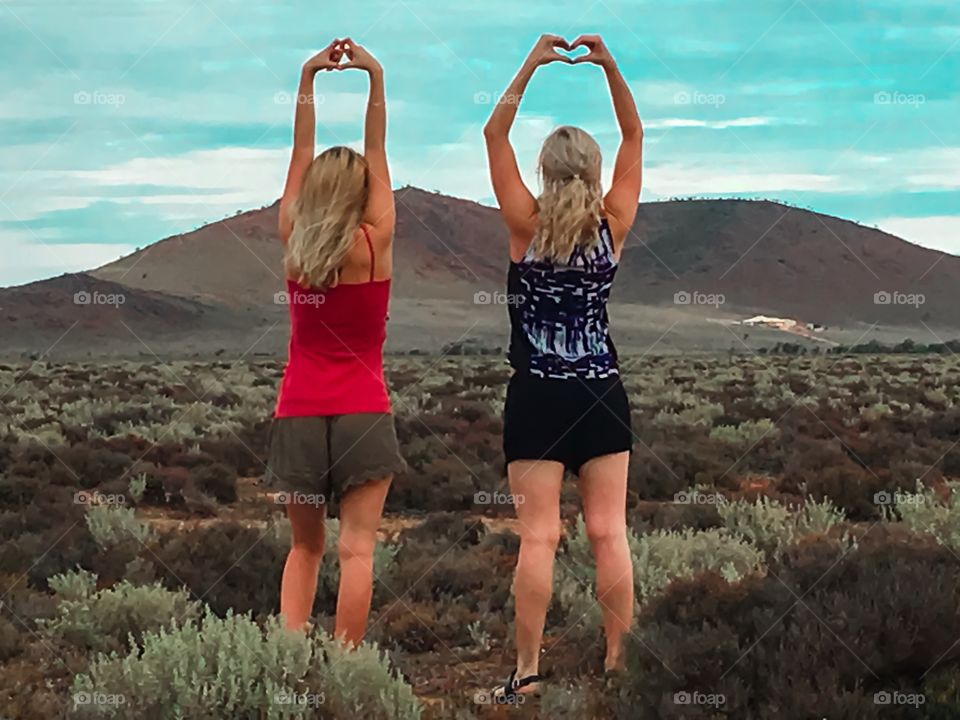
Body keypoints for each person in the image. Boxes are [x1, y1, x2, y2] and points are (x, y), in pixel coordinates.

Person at [483, 33, 644, 697]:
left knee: (539, 538)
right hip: (602, 392)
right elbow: (635, 133)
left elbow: (494, 133)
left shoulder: (525, 221)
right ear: (594, 169)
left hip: (538, 399)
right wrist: (609, 65)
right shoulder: (615, 221)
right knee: (610, 533)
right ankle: (618, 665)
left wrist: (530, 64)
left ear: (546, 170)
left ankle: (525, 674)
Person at [265, 38, 404, 646]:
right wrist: (374, 77)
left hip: (298, 409)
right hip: (364, 413)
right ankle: (347, 667)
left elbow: (299, 148)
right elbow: (377, 148)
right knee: (357, 551)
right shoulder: (374, 244)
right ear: (361, 195)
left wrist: (308, 77)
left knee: (304, 547)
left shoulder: (294, 238)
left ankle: (288, 658)